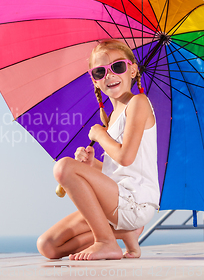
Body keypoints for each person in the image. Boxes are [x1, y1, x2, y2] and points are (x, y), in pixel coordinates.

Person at [36, 40, 160, 261]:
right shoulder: (111, 118)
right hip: (114, 201)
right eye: (100, 71)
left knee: (64, 167)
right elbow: (118, 170)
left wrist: (100, 136)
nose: (110, 75)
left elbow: (126, 157)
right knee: (48, 246)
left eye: (118, 67)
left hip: (134, 201)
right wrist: (92, 166)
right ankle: (125, 233)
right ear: (94, 80)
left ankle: (106, 242)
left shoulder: (138, 103)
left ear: (132, 69)